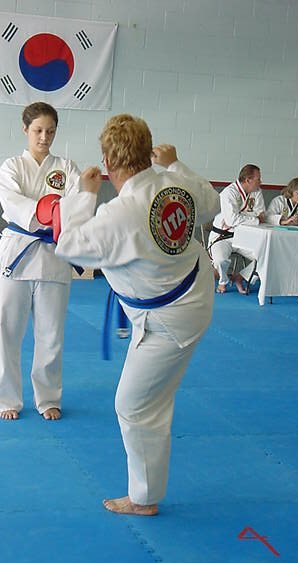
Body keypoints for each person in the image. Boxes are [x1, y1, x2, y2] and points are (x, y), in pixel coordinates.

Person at [55, 114, 220, 516]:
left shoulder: (120, 212)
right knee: (151, 399)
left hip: (168, 323)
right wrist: (175, 164)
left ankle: (143, 499)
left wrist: (84, 194)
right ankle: (145, 492)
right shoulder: (175, 184)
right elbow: (213, 204)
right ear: (149, 152)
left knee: (135, 406)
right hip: (194, 295)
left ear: (108, 162)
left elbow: (70, 247)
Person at [0, 102, 81, 421]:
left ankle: (48, 398)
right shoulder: (11, 167)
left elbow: (77, 204)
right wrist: (47, 211)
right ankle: (6, 398)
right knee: (7, 330)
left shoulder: (67, 167)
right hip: (16, 254)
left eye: (50, 131)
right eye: (38, 130)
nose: (44, 137)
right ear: (25, 129)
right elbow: (13, 203)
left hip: (54, 256)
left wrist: (60, 215)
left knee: (51, 335)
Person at [208, 165, 265, 294]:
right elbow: (231, 220)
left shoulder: (257, 192)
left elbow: (261, 215)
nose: (260, 182)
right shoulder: (229, 193)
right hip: (222, 237)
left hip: (243, 236)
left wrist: (240, 217)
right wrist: (254, 219)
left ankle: (241, 277)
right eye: (258, 179)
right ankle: (223, 281)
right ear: (248, 180)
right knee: (220, 261)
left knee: (265, 255)